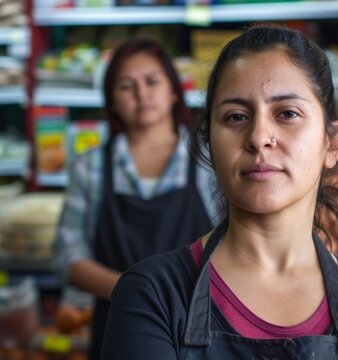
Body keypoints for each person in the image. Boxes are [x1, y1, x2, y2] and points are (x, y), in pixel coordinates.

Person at [102, 26, 338, 359]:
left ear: (333, 143)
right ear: (211, 145)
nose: (259, 136)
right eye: (236, 116)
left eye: (287, 114)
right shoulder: (151, 295)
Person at [53, 39, 218, 359]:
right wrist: (137, 294)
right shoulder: (91, 167)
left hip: (201, 327)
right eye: (127, 86)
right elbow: (67, 256)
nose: (142, 94)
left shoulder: (209, 160)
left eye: (152, 81)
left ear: (173, 89)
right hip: (117, 330)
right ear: (111, 101)